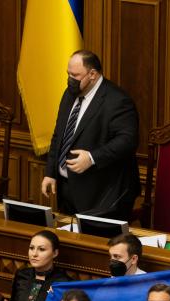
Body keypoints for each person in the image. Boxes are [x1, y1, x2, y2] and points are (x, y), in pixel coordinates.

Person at [41, 50, 140, 216]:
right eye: (68, 74)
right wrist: (51, 173)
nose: (70, 80)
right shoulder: (69, 94)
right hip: (67, 189)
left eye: (75, 75)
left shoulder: (117, 100)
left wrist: (93, 158)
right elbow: (59, 135)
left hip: (102, 195)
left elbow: (128, 141)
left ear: (92, 74)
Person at [10, 230, 69, 301]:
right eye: (31, 248)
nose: (34, 254)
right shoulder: (21, 275)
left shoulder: (63, 282)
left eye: (41, 249)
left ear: (55, 253)